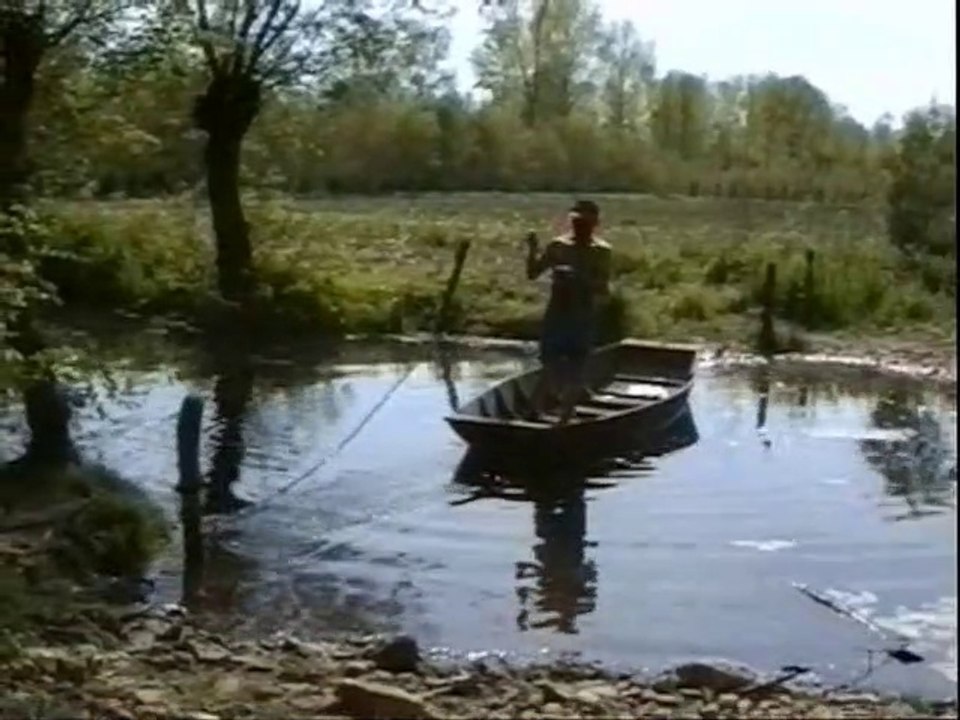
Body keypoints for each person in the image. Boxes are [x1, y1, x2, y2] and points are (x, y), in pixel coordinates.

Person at [524, 199, 611, 424]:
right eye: (577, 222)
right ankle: (534, 411)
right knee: (550, 363)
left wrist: (578, 278)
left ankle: (565, 417)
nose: (580, 227)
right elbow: (533, 273)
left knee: (576, 366)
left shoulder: (601, 251)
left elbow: (603, 287)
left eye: (585, 223)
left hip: (582, 313)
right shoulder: (558, 246)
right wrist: (533, 249)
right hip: (558, 310)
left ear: (595, 224)